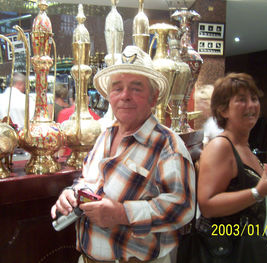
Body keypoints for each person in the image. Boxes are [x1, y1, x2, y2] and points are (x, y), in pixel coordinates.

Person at [51, 45, 196, 262]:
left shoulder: (168, 146)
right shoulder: (105, 135)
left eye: (136, 88)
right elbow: (89, 180)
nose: (125, 96)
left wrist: (122, 213)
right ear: (109, 96)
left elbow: (182, 207)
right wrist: (72, 193)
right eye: (117, 88)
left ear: (154, 97)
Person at [197, 73, 267, 262]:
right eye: (241, 100)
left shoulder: (244, 147)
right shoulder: (220, 146)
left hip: (248, 245)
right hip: (227, 251)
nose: (251, 105)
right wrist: (258, 192)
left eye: (254, 99)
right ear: (223, 110)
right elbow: (207, 206)